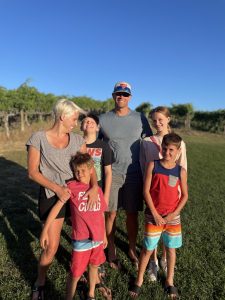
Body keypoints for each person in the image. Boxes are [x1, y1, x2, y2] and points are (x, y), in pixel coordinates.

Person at [27, 99, 98, 300]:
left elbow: (89, 166)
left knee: (84, 237)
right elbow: (32, 172)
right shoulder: (38, 138)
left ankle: (83, 270)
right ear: (62, 116)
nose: (76, 124)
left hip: (78, 196)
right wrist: (57, 189)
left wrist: (93, 187)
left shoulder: (77, 141)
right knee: (52, 246)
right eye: (74, 119)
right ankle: (40, 282)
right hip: (52, 195)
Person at [99, 81, 152, 269]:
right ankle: (111, 248)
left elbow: (150, 142)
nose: (121, 97)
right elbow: (96, 145)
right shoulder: (103, 119)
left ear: (130, 97)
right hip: (111, 174)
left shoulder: (140, 118)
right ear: (113, 96)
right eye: (118, 93)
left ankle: (131, 248)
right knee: (110, 213)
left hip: (134, 174)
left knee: (131, 213)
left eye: (125, 94)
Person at [40, 152, 107, 300]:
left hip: (97, 238)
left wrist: (104, 235)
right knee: (75, 273)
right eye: (76, 171)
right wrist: (45, 230)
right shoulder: (72, 187)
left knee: (94, 266)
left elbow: (101, 213)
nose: (79, 174)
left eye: (83, 170)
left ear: (91, 170)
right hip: (81, 239)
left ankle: (91, 294)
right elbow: (57, 207)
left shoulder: (98, 190)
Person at [129, 133, 188, 299]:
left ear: (178, 152)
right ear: (161, 148)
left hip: (172, 218)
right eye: (164, 149)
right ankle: (139, 280)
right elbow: (146, 191)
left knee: (170, 249)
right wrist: (154, 213)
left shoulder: (180, 171)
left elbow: (184, 196)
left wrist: (173, 215)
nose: (167, 153)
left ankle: (170, 281)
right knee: (147, 249)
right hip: (153, 216)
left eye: (171, 150)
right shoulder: (153, 165)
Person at [139, 106, 187, 281]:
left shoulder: (179, 143)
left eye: (161, 119)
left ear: (168, 119)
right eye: (154, 120)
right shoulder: (146, 141)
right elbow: (144, 165)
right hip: (154, 194)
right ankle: (153, 262)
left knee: (169, 232)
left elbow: (183, 167)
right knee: (153, 233)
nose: (157, 123)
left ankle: (166, 259)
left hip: (172, 198)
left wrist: (179, 194)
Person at [80, 113, 112, 298]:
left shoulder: (103, 146)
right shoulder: (77, 143)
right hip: (81, 194)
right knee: (82, 229)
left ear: (98, 127)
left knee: (98, 230)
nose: (88, 123)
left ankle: (97, 265)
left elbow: (107, 173)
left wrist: (105, 196)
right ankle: (83, 262)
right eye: (85, 121)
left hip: (98, 193)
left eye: (92, 121)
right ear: (81, 127)